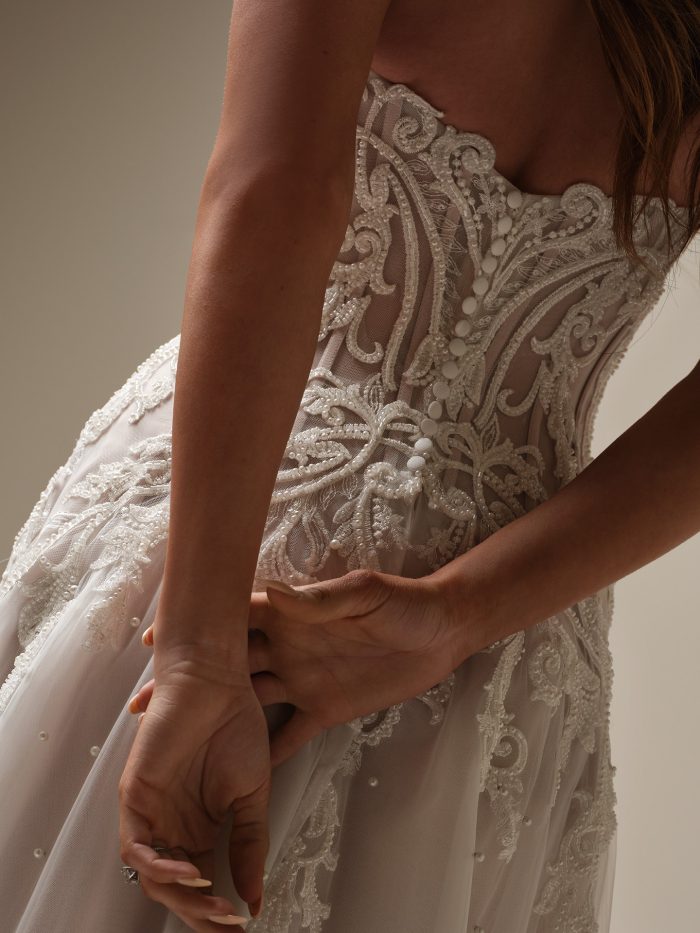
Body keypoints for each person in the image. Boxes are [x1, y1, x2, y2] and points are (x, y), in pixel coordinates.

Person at [0, 0, 698, 930]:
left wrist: (199, 656)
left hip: (230, 561)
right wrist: (456, 618)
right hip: (494, 658)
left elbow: (278, 195)